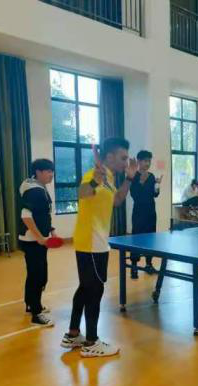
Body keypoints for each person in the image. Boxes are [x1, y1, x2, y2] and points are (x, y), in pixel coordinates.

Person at [61, 138, 137, 358]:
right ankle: (92, 342)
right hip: (91, 242)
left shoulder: (110, 178)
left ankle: (73, 334)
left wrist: (129, 178)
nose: (126, 162)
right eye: (123, 158)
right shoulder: (93, 175)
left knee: (85, 288)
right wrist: (95, 181)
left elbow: (117, 200)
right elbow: (82, 192)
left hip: (97, 241)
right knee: (94, 290)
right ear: (110, 156)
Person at [19, 159, 57, 327]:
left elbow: (42, 214)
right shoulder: (34, 191)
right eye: (48, 171)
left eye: (52, 171)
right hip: (33, 240)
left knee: (34, 274)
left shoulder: (37, 186)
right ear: (38, 172)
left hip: (36, 239)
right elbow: (26, 216)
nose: (51, 174)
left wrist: (51, 229)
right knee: (38, 276)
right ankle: (36, 314)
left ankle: (31, 304)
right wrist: (40, 237)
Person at [129, 150, 162, 279]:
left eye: (149, 161)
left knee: (151, 239)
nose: (147, 163)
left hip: (151, 212)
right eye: (145, 161)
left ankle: (149, 264)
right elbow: (134, 195)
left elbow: (155, 194)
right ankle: (134, 267)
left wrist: (157, 185)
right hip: (139, 212)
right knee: (136, 239)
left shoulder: (152, 176)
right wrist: (141, 183)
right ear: (138, 161)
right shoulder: (134, 176)